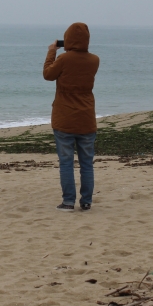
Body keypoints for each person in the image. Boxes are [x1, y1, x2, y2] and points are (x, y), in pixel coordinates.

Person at [43, 22, 100, 211]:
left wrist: (52, 52)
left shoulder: (64, 59)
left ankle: (68, 201)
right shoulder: (94, 60)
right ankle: (86, 201)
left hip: (64, 118)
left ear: (67, 39)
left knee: (66, 163)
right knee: (87, 164)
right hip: (86, 119)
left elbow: (48, 75)